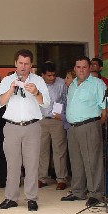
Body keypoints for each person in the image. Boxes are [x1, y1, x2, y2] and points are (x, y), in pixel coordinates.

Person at [0, 49, 50, 211]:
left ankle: (31, 198)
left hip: (32, 126)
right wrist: (11, 89)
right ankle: (11, 198)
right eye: (20, 63)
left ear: (31, 65)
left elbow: (46, 103)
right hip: (11, 126)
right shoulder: (7, 80)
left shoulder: (38, 80)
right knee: (12, 165)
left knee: (32, 164)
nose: (23, 67)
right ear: (15, 64)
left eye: (26, 64)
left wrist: (36, 92)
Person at [61, 56, 108, 207]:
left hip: (89, 125)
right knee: (76, 161)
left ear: (89, 68)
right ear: (74, 69)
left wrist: (95, 125)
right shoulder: (73, 85)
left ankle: (96, 194)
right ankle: (78, 191)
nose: (81, 70)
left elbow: (106, 109)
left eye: (84, 67)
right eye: (78, 67)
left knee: (92, 161)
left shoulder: (97, 84)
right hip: (73, 128)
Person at [38, 61, 68, 190]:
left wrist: (63, 116)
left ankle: (61, 178)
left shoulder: (61, 83)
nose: (52, 78)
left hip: (57, 120)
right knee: (41, 150)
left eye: (54, 75)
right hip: (41, 120)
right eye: (49, 75)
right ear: (42, 75)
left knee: (59, 150)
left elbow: (66, 100)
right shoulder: (36, 84)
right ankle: (41, 178)